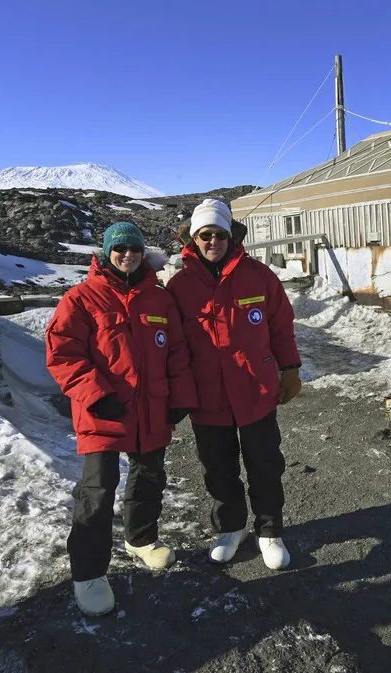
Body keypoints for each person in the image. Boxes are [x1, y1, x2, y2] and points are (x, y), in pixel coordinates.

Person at [46, 221, 197, 617]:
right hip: (104, 411)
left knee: (150, 476)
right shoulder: (81, 298)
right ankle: (88, 573)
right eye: (119, 248)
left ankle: (141, 539)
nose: (127, 254)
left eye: (134, 248)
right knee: (97, 489)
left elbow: (177, 352)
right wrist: (96, 395)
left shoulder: (160, 299)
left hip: (152, 408)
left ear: (143, 252)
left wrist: (179, 397)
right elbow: (63, 353)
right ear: (106, 252)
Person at [166, 198, 302, 570]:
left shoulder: (259, 276)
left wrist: (290, 368)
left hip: (255, 390)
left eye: (220, 234)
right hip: (207, 395)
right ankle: (231, 528)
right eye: (205, 235)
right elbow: (173, 347)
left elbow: (281, 327)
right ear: (194, 239)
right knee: (218, 467)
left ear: (231, 236)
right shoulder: (179, 286)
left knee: (265, 463)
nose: (213, 241)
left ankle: (269, 531)